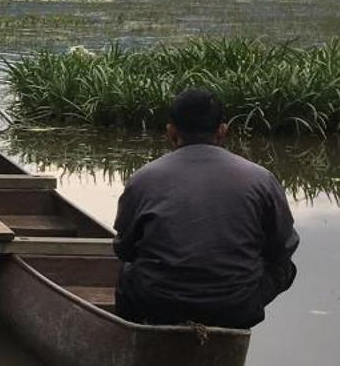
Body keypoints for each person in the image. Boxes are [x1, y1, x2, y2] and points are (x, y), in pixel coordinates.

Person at [113, 88, 298, 328]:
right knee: (285, 268)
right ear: (223, 130)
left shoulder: (143, 178)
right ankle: (230, 334)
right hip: (236, 307)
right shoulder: (260, 178)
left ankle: (138, 338)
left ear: (171, 131)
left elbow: (124, 249)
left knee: (127, 271)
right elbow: (283, 247)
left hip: (159, 304)